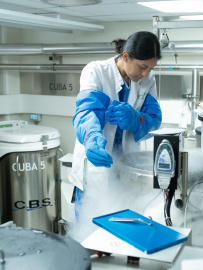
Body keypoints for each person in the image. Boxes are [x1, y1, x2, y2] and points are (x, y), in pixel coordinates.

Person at [69, 31, 162, 220]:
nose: (145, 73)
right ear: (126, 56)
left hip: (127, 167)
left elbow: (154, 120)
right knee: (89, 229)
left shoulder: (147, 80)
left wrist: (137, 119)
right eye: (142, 66)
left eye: (151, 68)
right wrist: (92, 139)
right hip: (96, 167)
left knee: (124, 228)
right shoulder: (96, 71)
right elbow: (88, 112)